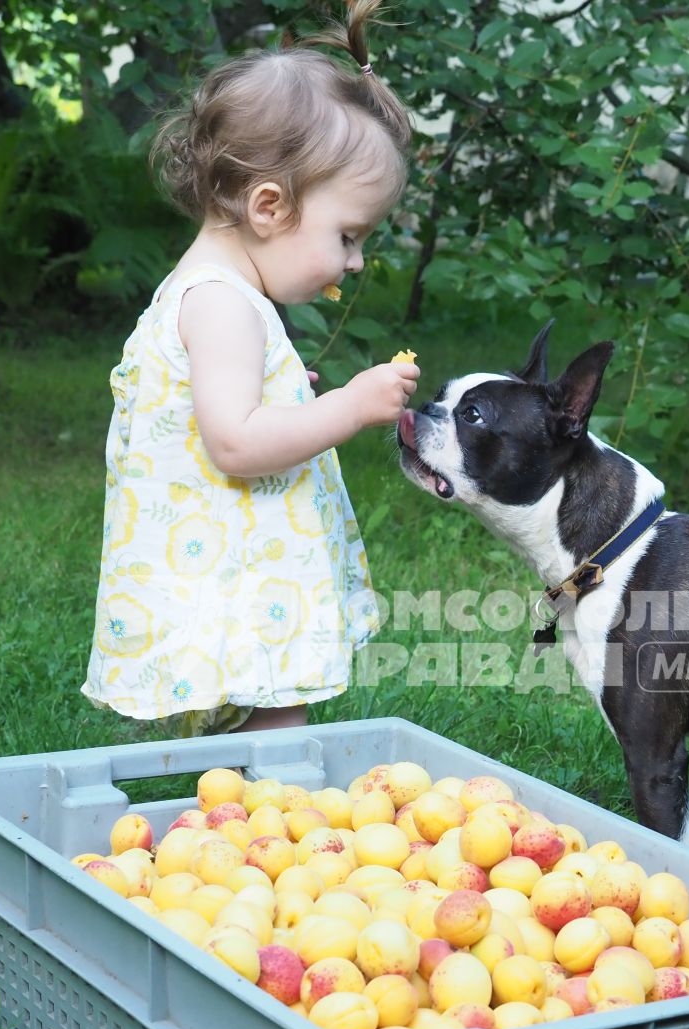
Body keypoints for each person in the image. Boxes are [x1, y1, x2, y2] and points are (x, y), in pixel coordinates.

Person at [82, 0, 418, 737]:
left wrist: (290, 398)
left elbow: (231, 412)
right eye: (348, 235)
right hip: (237, 580)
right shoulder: (223, 304)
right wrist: (351, 409)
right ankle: (271, 828)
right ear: (269, 206)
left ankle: (236, 817)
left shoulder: (222, 294)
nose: (355, 261)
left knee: (252, 720)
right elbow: (234, 444)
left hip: (228, 566)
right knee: (276, 711)